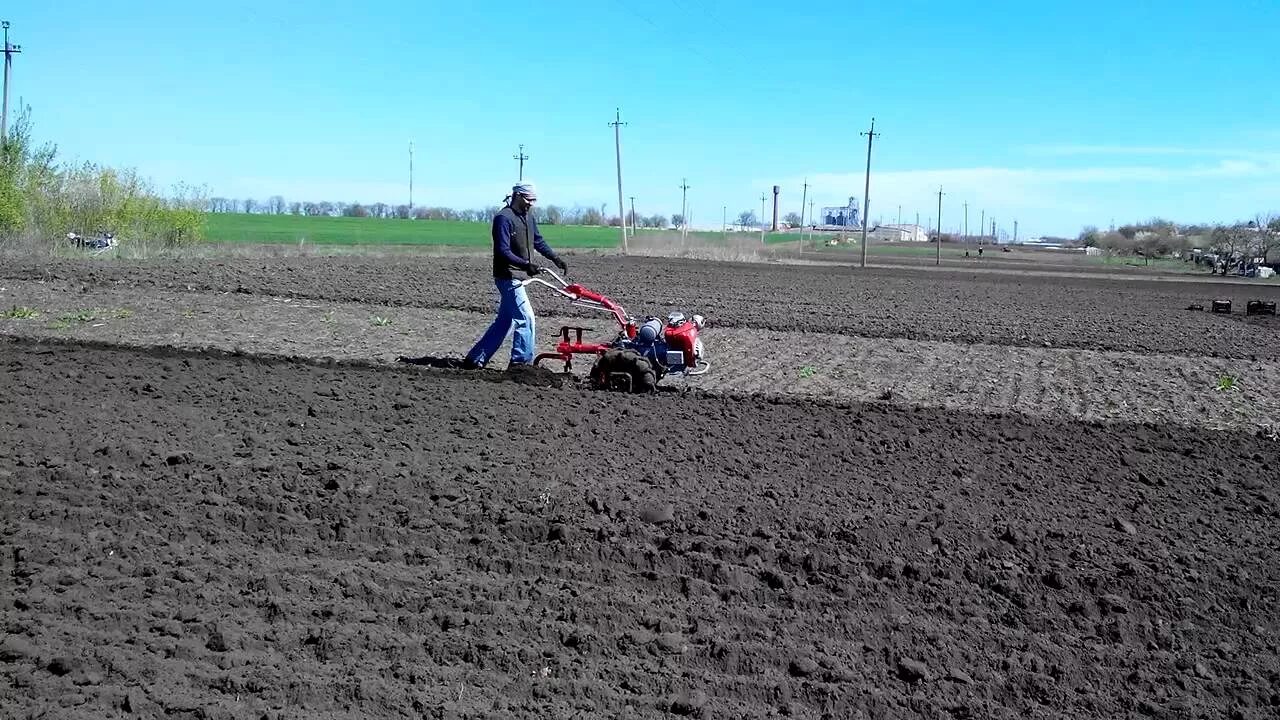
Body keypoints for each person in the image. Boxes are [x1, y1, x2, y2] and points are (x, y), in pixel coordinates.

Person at [461, 182, 568, 369]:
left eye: (534, 200)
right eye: (528, 199)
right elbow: (502, 250)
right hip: (507, 276)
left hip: (519, 276)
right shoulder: (503, 218)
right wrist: (526, 264)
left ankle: (475, 359)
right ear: (517, 195)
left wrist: (555, 259)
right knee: (526, 318)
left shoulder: (528, 217)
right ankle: (520, 365)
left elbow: (538, 240)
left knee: (505, 321)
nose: (531, 204)